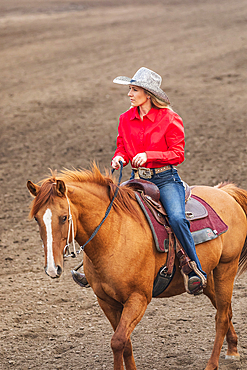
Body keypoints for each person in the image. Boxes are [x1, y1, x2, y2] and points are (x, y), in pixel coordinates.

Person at [111, 67, 207, 295]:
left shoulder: (170, 118)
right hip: (137, 180)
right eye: (130, 90)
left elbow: (178, 154)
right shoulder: (126, 118)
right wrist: (119, 158)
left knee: (176, 217)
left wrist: (150, 155)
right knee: (111, 211)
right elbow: (122, 146)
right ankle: (96, 267)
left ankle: (195, 269)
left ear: (147, 94)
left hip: (165, 179)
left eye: (134, 90)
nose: (129, 94)